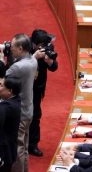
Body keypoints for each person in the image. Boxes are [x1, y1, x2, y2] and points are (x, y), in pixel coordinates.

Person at [3, 33, 37, 172]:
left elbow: (3, 80)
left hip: (19, 113)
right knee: (24, 147)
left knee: (17, 148)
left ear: (21, 48)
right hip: (27, 109)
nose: (10, 48)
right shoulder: (32, 60)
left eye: (13, 46)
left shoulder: (18, 68)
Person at [28, 30, 58, 158]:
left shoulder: (47, 47)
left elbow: (54, 67)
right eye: (40, 44)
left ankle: (33, 144)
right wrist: (34, 57)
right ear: (34, 43)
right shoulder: (25, 47)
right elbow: (17, 66)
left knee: (35, 115)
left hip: (37, 88)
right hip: (24, 88)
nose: (43, 47)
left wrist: (49, 61)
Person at [0, 77, 21, 172]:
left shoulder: (7, 107)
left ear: (10, 91)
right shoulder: (17, 100)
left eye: (1, 86)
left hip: (3, 152)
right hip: (10, 148)